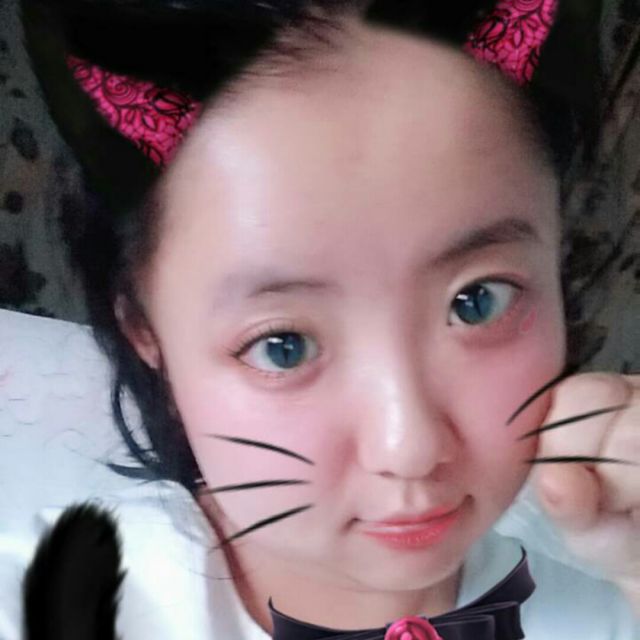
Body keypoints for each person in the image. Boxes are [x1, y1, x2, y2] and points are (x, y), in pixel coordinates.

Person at [7, 0, 640, 638]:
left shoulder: (610, 588)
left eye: (477, 302)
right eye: (283, 345)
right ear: (148, 334)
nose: (409, 448)